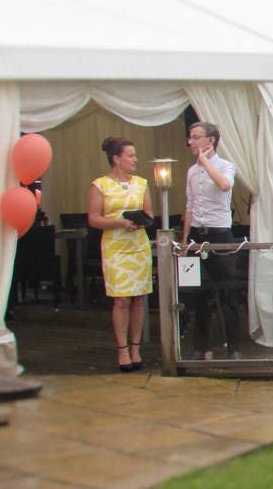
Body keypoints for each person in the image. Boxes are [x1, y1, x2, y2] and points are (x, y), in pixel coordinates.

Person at [88, 136, 153, 373]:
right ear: (117, 159)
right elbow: (93, 218)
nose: (135, 159)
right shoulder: (100, 185)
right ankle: (122, 349)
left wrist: (142, 221)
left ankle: (136, 348)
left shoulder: (141, 183)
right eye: (131, 155)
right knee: (122, 299)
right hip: (115, 246)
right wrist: (119, 222)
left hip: (138, 245)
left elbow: (149, 211)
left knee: (138, 298)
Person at [181, 121, 241, 359]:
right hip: (198, 233)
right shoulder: (191, 171)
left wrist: (205, 162)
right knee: (198, 292)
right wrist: (185, 238)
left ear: (210, 140)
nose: (191, 142)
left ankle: (234, 346)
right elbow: (189, 206)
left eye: (196, 137)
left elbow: (225, 185)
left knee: (228, 291)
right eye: (190, 137)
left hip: (220, 233)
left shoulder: (226, 166)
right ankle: (200, 346)